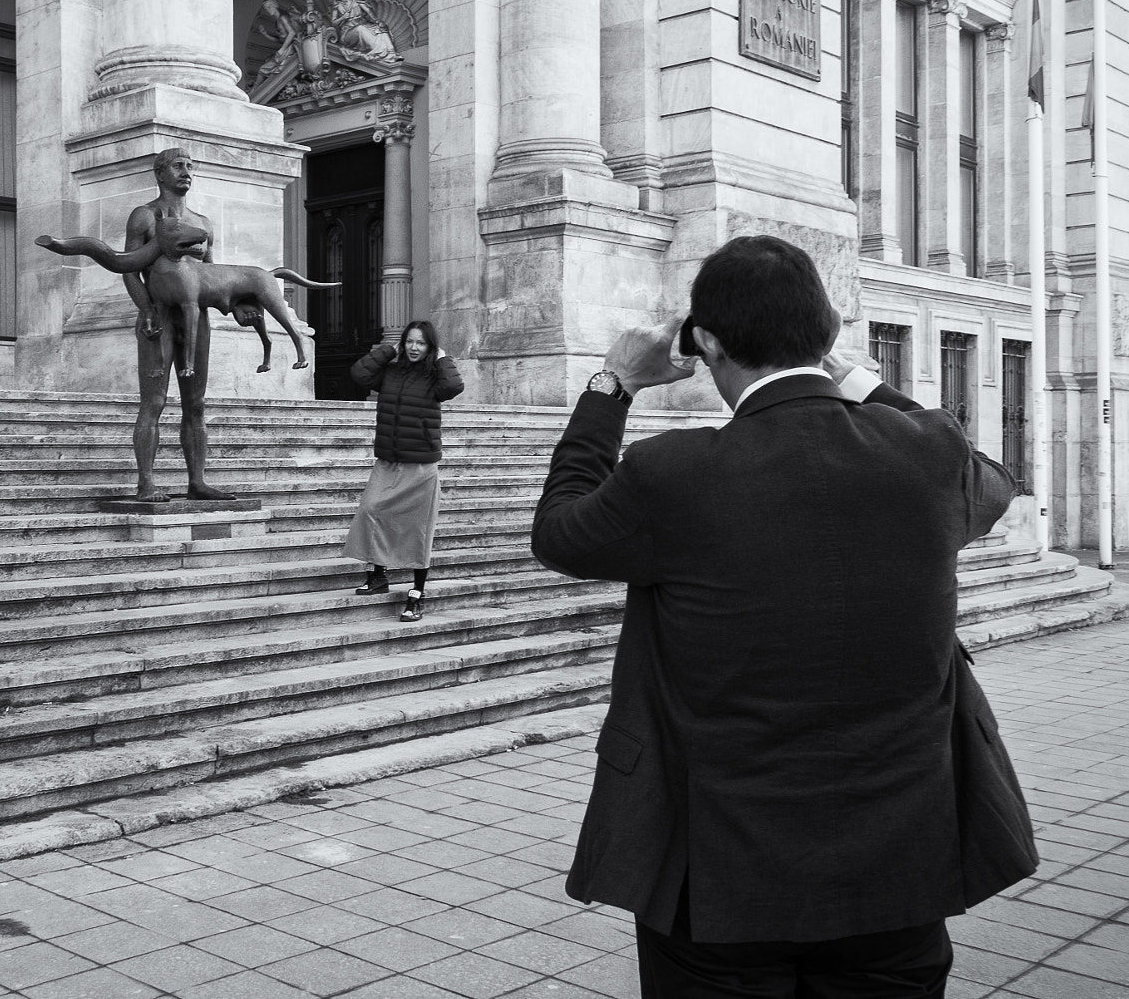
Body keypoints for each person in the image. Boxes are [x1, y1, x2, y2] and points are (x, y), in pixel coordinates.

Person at [532, 235, 1027, 999]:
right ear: (827, 335)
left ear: (707, 343)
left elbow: (560, 531)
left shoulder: (676, 474)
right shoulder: (930, 453)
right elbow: (991, 481)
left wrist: (612, 387)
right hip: (900, 859)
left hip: (722, 867)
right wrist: (856, 381)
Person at [121, 148, 232, 502]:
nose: (187, 172)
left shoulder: (204, 223)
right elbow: (129, 268)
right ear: (160, 174)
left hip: (196, 315)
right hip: (159, 316)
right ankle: (146, 483)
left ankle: (197, 480)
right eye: (178, 166)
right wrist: (147, 308)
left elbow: (212, 273)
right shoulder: (145, 216)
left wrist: (240, 306)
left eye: (190, 166)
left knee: (196, 403)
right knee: (153, 402)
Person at [344, 320, 464, 621]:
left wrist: (443, 358)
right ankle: (378, 575)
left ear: (430, 347)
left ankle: (416, 594)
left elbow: (454, 386)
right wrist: (387, 350)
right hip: (388, 461)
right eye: (409, 342)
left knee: (418, 530)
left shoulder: (435, 376)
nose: (414, 348)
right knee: (370, 512)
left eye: (421, 343)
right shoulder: (391, 372)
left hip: (420, 464)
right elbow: (359, 373)